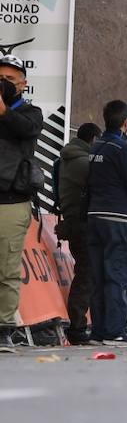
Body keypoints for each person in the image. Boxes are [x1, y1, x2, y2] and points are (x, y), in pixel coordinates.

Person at [84, 100, 127, 346]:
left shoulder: (96, 147)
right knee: (116, 274)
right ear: (125, 122)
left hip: (94, 217)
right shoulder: (122, 148)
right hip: (117, 218)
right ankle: (116, 330)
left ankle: (99, 330)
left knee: (98, 275)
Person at [0, 54, 43, 349]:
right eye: (0, 78)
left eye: (10, 80)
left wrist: (4, 111)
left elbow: (26, 131)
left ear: (23, 85)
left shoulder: (31, 113)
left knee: (6, 268)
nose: (4, 84)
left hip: (11, 202)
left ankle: (3, 327)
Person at [56, 123, 101, 344]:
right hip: (83, 224)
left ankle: (79, 325)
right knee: (86, 274)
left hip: (72, 222)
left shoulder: (66, 160)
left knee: (85, 272)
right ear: (93, 140)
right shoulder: (85, 163)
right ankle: (77, 328)